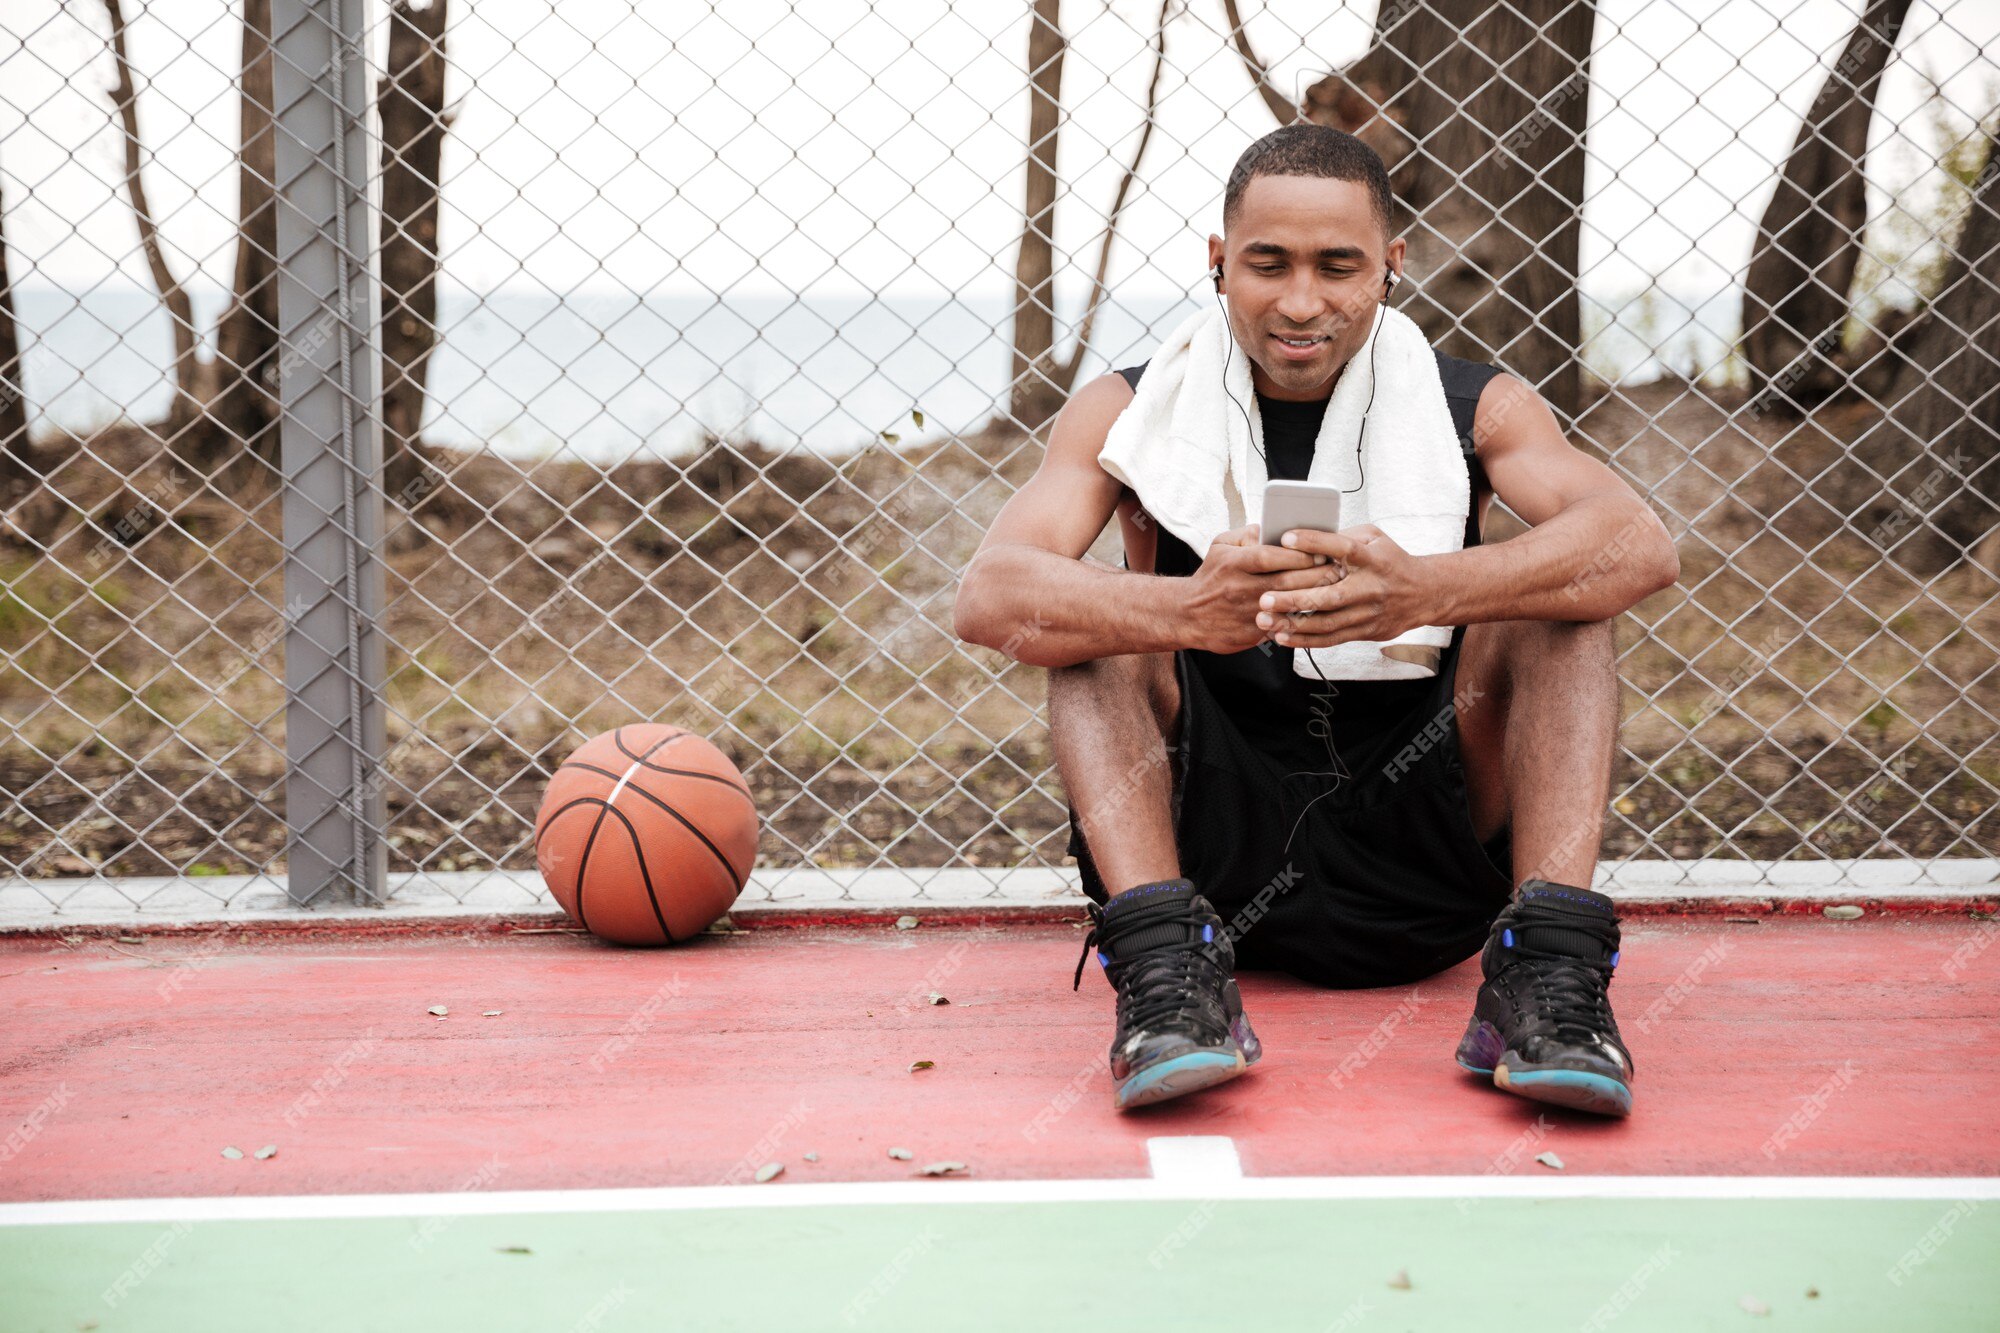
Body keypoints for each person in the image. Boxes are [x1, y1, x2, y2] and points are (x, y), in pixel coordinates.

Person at [952, 125, 1679, 1117]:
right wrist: (1188, 608)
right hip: (1208, 855)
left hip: (1424, 839)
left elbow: (1634, 544)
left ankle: (1545, 976)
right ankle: (1165, 984)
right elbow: (989, 594)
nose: (1300, 301)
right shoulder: (1131, 408)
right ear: (1218, 264)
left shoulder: (1474, 404)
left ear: (1389, 267)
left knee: (1565, 608)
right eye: (1267, 263)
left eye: (1337, 265)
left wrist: (1428, 590)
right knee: (1082, 626)